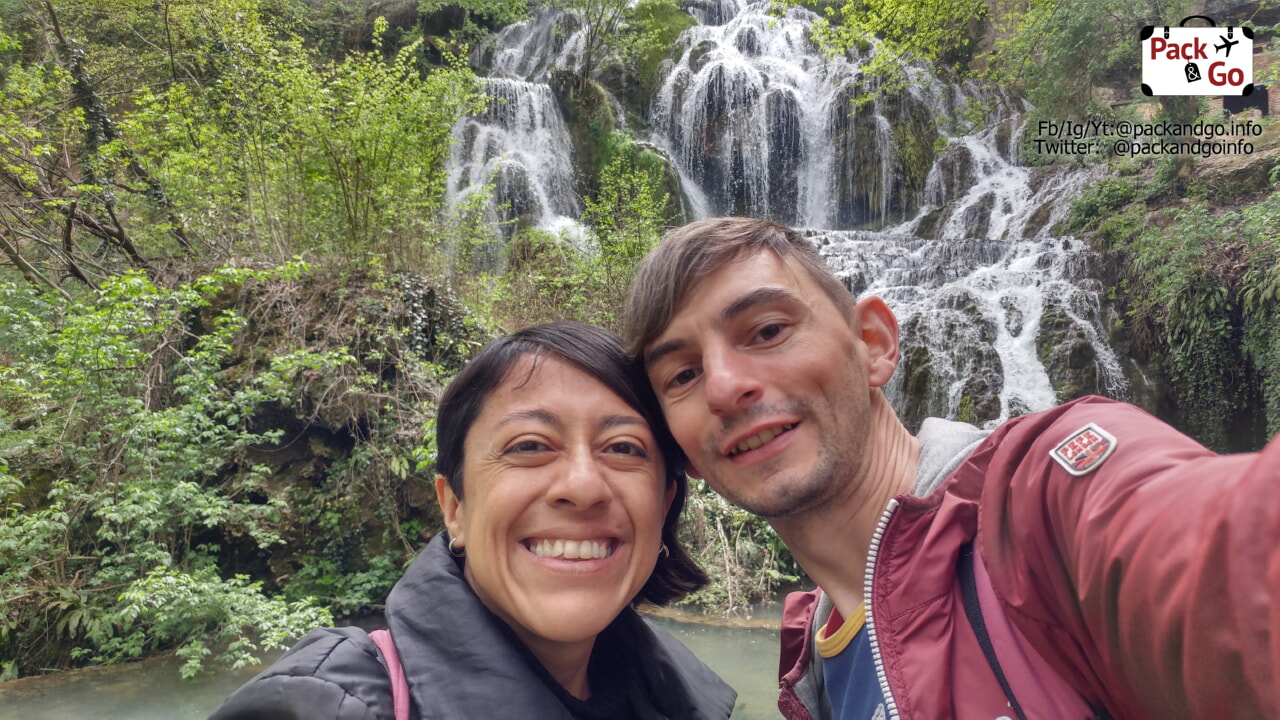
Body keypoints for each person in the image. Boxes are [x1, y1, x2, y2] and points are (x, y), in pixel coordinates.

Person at [622, 216, 1280, 720]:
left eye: (767, 331)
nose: (725, 386)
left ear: (874, 344)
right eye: (683, 374)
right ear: (681, 449)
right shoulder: (813, 673)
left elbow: (1227, 557)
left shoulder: (1049, 494)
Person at [208, 322, 737, 720]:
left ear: (664, 506)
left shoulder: (670, 699)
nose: (582, 486)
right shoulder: (325, 701)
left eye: (623, 448)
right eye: (529, 446)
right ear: (454, 508)